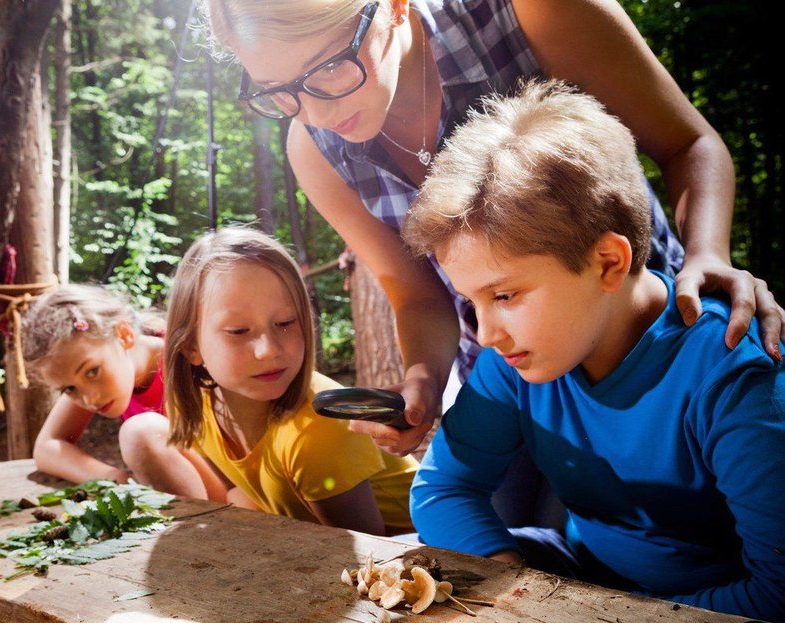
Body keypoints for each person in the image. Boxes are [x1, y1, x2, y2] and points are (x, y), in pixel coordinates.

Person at [198, 0, 785, 461]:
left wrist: (706, 253)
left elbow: (689, 143)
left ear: (395, 5)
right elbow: (418, 295)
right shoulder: (314, 152)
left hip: (649, 341)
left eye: (327, 70)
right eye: (279, 92)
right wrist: (422, 381)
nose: (317, 111)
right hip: (513, 381)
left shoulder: (528, 10)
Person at [404, 80, 785, 621]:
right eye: (473, 302)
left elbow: (776, 594)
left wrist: (596, 622)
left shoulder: (729, 372)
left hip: (715, 612)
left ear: (609, 262)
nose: (485, 334)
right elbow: (443, 489)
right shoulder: (516, 359)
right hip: (585, 573)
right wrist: (514, 583)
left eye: (505, 295)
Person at [161, 226, 418, 535]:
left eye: (285, 323)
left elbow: (367, 552)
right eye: (238, 331)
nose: (269, 349)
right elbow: (242, 497)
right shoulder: (199, 408)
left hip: (422, 546)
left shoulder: (317, 428)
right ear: (190, 346)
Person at [20, 285, 212, 498]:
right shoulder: (100, 366)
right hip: (192, 502)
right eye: (69, 388)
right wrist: (118, 480)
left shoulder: (191, 358)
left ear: (123, 335)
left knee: (140, 433)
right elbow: (47, 448)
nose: (89, 399)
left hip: (237, 504)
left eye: (92, 372)